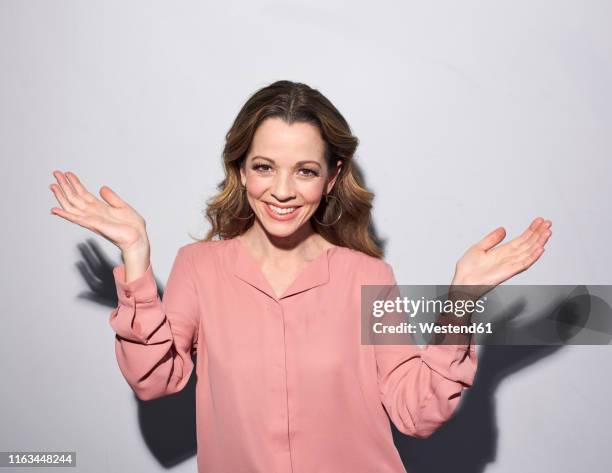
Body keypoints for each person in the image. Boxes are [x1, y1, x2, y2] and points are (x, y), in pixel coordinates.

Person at [49, 80, 552, 473]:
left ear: (331, 177)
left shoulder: (368, 277)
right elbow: (156, 381)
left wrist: (461, 300)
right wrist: (136, 255)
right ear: (241, 170)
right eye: (265, 167)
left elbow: (416, 412)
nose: (283, 191)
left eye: (305, 171)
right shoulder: (198, 268)